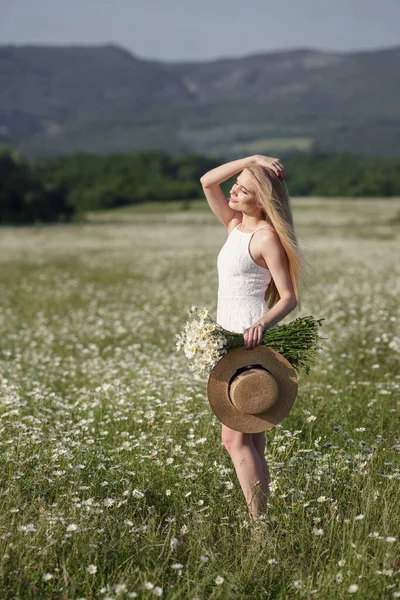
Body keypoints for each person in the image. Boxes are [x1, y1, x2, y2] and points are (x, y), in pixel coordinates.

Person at [200, 154, 308, 530]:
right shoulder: (233, 226)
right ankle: (264, 522)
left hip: (249, 344)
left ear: (262, 200)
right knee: (251, 440)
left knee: (234, 441)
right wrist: (250, 159)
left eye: (244, 189)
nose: (233, 190)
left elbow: (289, 297)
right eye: (237, 184)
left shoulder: (266, 238)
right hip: (227, 341)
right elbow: (207, 181)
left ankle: (259, 526)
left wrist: (262, 323)